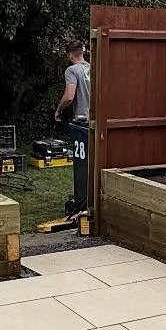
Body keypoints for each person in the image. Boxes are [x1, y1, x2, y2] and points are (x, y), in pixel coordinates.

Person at [55, 39, 91, 216]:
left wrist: (58, 110)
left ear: (70, 55)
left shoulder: (72, 70)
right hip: (95, 123)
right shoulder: (92, 68)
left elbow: (69, 96)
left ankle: (81, 203)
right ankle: (91, 200)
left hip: (82, 123)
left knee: (82, 167)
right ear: (82, 53)